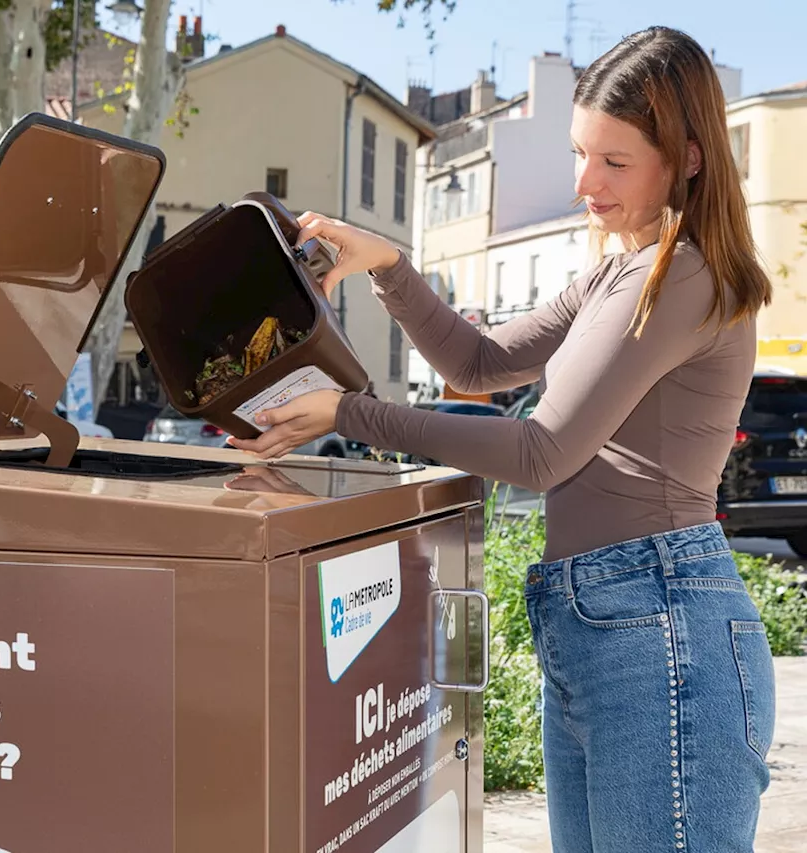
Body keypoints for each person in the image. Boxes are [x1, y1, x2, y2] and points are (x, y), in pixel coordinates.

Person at [230, 27, 776, 852]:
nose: (584, 182)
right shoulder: (615, 271)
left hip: (660, 623)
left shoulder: (683, 274)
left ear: (689, 159)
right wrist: (388, 266)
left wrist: (349, 413)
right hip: (608, 621)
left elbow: (540, 452)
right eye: (579, 153)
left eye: (615, 163)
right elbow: (480, 363)